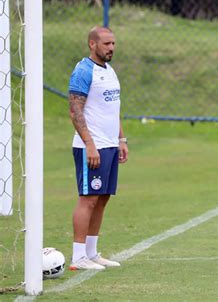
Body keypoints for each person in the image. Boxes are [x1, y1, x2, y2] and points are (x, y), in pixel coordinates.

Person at [68, 26, 129, 270]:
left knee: (102, 199)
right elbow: (75, 110)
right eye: (106, 44)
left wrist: (121, 140)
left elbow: (112, 109)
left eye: (113, 43)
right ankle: (78, 256)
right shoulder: (83, 71)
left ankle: (92, 253)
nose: (111, 48)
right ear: (92, 44)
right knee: (89, 199)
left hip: (110, 145)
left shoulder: (110, 70)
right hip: (92, 147)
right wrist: (90, 144)